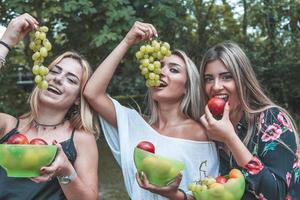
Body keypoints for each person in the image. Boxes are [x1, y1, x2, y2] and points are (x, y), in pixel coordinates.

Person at [83, 21, 219, 200]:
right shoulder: (135, 123)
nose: (161, 71)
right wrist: (127, 41)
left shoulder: (201, 132)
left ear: (187, 86)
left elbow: (208, 195)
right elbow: (92, 92)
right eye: (159, 65)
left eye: (174, 69)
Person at [0, 13, 99, 200]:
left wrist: (65, 171)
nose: (58, 79)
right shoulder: (7, 126)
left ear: (78, 98)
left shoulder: (80, 138)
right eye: (54, 71)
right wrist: (6, 43)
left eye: (71, 79)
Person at [199, 41, 300, 199]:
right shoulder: (211, 127)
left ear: (243, 80)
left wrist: (230, 138)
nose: (216, 86)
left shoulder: (271, 119)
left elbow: (276, 194)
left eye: (226, 77)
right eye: (208, 79)